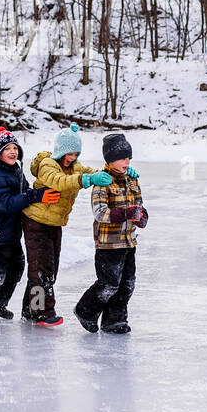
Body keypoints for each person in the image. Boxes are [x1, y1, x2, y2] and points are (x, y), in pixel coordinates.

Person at [19, 124, 112, 327]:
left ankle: (29, 309)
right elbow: (59, 181)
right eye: (69, 153)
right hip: (35, 222)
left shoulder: (75, 166)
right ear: (60, 150)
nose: (72, 157)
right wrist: (85, 179)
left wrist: (115, 172)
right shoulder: (47, 165)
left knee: (49, 269)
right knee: (40, 269)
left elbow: (92, 172)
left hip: (54, 224)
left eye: (76, 153)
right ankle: (41, 312)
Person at [0, 127, 60, 326]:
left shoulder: (16, 171)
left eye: (15, 148)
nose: (13, 152)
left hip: (11, 233)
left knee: (17, 267)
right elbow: (5, 203)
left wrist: (39, 192)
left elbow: (25, 192)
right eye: (7, 148)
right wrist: (34, 196)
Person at [74, 132, 146, 335]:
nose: (127, 161)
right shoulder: (102, 182)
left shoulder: (132, 180)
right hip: (108, 244)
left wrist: (141, 216)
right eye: (123, 158)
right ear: (111, 159)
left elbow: (139, 205)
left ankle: (114, 320)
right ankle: (85, 311)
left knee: (127, 284)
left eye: (129, 158)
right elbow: (100, 213)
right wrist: (126, 213)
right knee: (109, 284)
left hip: (129, 242)